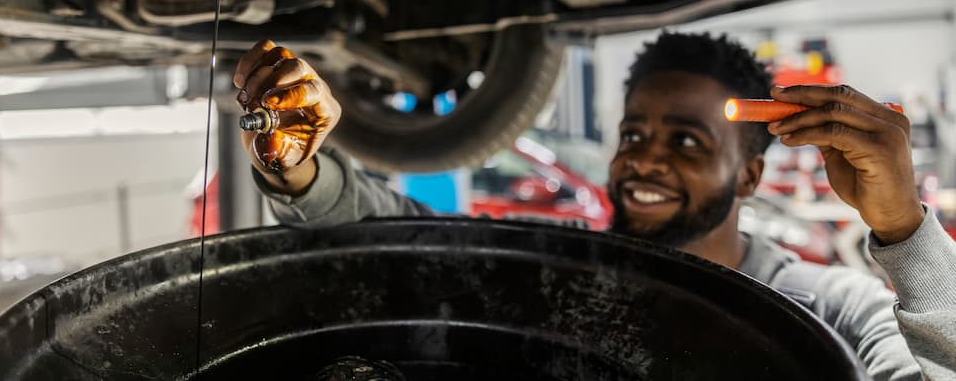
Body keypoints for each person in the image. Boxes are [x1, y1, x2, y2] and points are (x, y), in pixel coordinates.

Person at [234, 32, 956, 380]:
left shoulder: (829, 308)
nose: (646, 158)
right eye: (634, 133)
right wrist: (301, 172)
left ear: (748, 176)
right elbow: (402, 242)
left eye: (687, 141)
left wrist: (903, 227)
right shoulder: (565, 272)